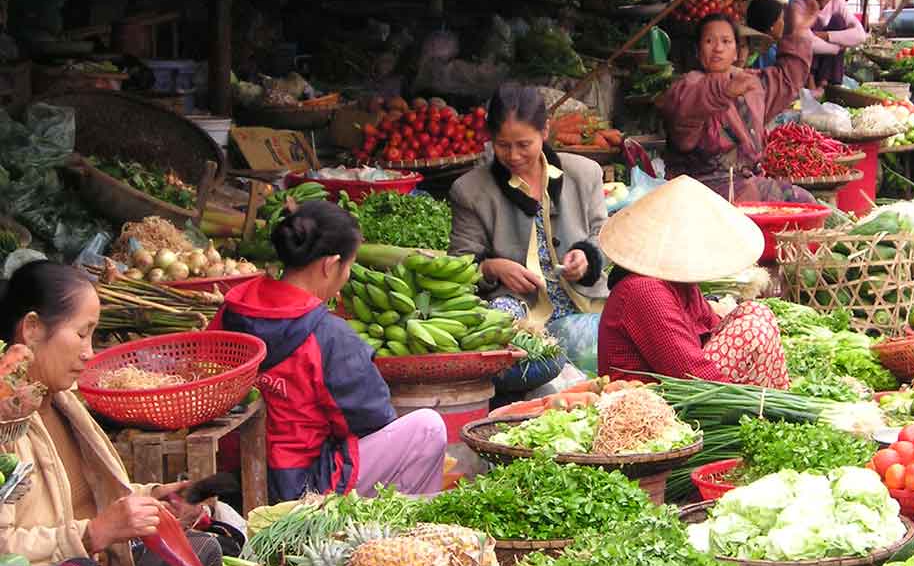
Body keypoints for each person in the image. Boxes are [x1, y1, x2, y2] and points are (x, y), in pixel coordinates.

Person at [0, 261, 223, 566]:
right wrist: (92, 534)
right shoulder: (5, 424)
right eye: (82, 333)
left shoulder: (63, 404)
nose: (89, 350)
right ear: (31, 329)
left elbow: (91, 492)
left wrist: (156, 497)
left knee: (206, 550)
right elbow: (4, 549)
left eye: (94, 335)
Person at [213, 201, 447, 502]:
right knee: (427, 429)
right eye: (348, 266)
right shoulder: (329, 336)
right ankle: (410, 537)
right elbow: (373, 417)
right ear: (330, 264)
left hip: (235, 476)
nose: (347, 275)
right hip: (298, 486)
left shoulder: (235, 306)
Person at [597, 176, 789, 389]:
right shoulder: (644, 290)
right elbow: (689, 373)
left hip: (681, 386)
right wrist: (748, 400)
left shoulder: (679, 282)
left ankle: (767, 402)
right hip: (650, 400)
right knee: (752, 328)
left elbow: (710, 327)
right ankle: (764, 406)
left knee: (755, 312)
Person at [450, 84, 608, 324]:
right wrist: (492, 268)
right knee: (497, 324)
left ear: (544, 131)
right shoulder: (470, 191)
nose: (513, 156)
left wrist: (588, 258)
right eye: (502, 145)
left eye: (524, 145)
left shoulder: (584, 173)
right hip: (519, 304)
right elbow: (458, 264)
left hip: (583, 298)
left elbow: (604, 236)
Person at [657, 0, 820, 202]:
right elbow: (686, 112)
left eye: (726, 41)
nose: (718, 48)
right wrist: (724, 91)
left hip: (747, 183)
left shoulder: (750, 83)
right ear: (698, 51)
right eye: (709, 41)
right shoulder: (687, 87)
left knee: (803, 202)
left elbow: (787, 79)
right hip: (700, 190)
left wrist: (798, 33)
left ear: (736, 50)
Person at [800, 0, 868, 89]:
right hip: (805, 67)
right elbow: (807, 43)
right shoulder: (799, 4)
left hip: (827, 67)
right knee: (817, 22)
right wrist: (838, 46)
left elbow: (860, 35)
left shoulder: (837, 1)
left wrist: (825, 36)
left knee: (838, 21)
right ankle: (811, 80)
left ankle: (826, 83)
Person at [745, 0, 786, 68]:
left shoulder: (755, 44)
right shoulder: (768, 52)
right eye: (782, 18)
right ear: (771, 24)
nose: (784, 23)